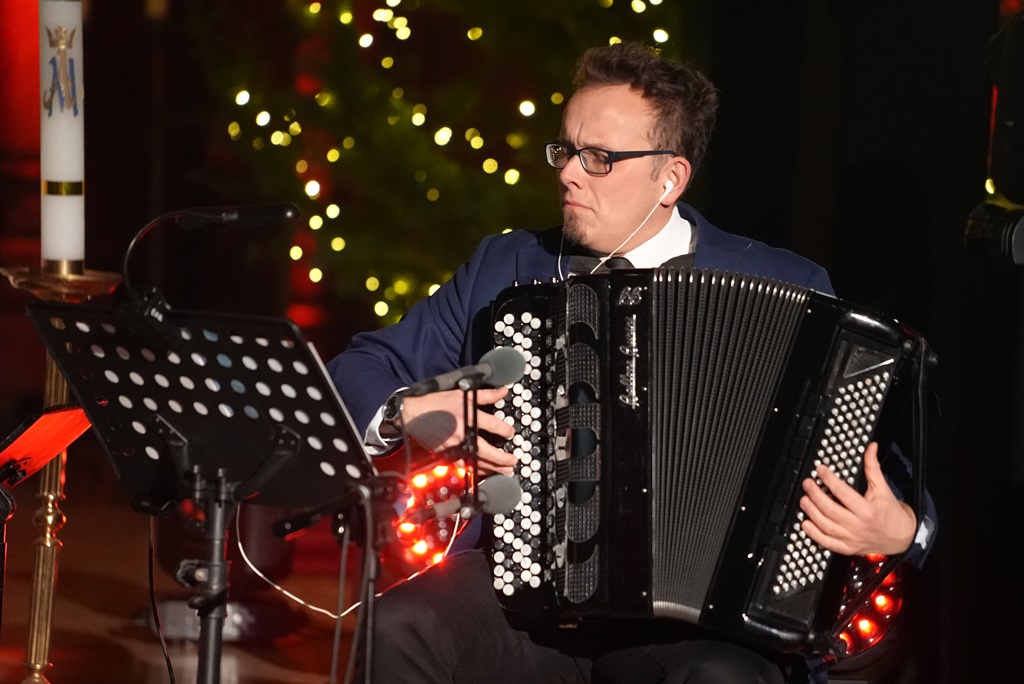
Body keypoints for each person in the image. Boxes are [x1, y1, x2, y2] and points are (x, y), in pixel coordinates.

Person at [326, 41, 935, 684]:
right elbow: (359, 367)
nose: (569, 173)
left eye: (599, 158)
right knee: (397, 626)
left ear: (670, 179)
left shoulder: (788, 285)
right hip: (527, 592)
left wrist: (905, 529)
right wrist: (410, 411)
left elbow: (883, 464)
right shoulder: (506, 266)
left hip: (704, 624)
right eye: (565, 150)